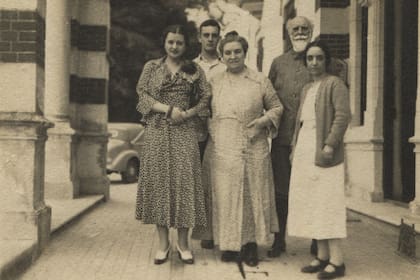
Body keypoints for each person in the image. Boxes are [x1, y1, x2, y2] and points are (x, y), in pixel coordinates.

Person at [203, 31, 283, 267]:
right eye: (228, 52)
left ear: (244, 53)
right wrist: (214, 130)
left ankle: (250, 246)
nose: (233, 56)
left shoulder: (259, 80)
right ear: (222, 55)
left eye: (237, 51)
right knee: (226, 196)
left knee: (252, 196)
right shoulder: (215, 81)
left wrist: (262, 122)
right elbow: (204, 110)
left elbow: (277, 107)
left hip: (253, 144)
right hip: (223, 146)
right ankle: (229, 244)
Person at [135, 24, 210, 265]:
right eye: (171, 42)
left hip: (184, 132)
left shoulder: (195, 70)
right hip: (157, 131)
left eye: (179, 42)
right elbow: (142, 95)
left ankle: (184, 243)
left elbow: (206, 97)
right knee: (159, 185)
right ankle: (163, 244)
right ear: (164, 43)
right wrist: (167, 109)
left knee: (184, 184)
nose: (174, 46)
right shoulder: (152, 67)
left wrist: (187, 114)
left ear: (186, 45)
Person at [288, 40, 351, 279]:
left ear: (327, 60)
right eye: (310, 58)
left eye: (319, 58)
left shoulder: (335, 84)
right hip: (305, 148)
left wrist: (329, 145)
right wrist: (294, 148)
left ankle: (337, 261)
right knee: (313, 203)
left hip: (325, 151)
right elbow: (300, 123)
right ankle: (322, 256)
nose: (314, 62)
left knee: (328, 203)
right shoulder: (307, 88)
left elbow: (343, 116)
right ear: (306, 62)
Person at [267, 16, 314, 258]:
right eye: (295, 29)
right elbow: (267, 97)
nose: (300, 32)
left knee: (313, 189)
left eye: (304, 28)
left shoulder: (318, 60)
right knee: (280, 192)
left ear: (311, 31)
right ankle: (279, 239)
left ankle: (318, 239)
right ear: (288, 32)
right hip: (282, 139)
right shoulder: (277, 63)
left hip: (310, 140)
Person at [192, 19, 226, 250]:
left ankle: (213, 231)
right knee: (195, 183)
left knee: (215, 183)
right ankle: (197, 231)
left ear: (219, 38)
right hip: (194, 131)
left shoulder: (226, 66)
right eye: (206, 35)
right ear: (199, 37)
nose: (210, 39)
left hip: (218, 132)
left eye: (214, 35)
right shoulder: (191, 66)